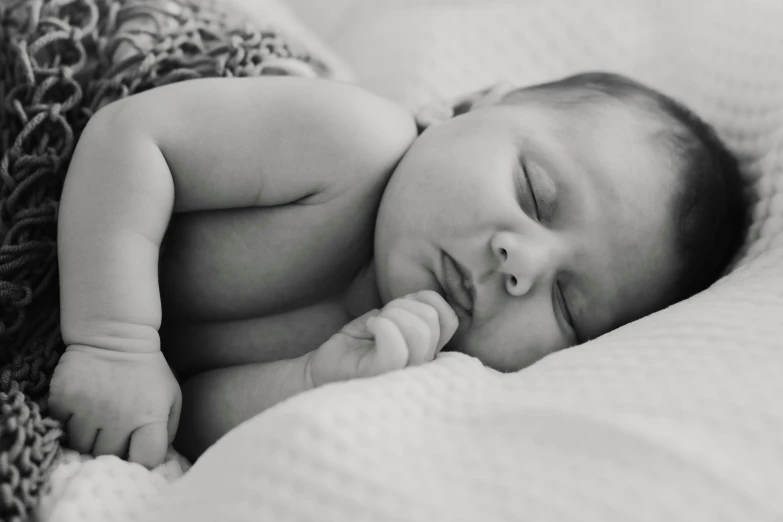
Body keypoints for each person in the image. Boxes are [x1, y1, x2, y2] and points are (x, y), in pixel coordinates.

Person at [48, 71, 747, 467]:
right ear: (465, 107)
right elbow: (133, 136)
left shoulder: (401, 358)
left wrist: (309, 380)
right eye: (534, 192)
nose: (521, 264)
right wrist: (116, 341)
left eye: (567, 306)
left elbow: (177, 415)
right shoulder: (351, 143)